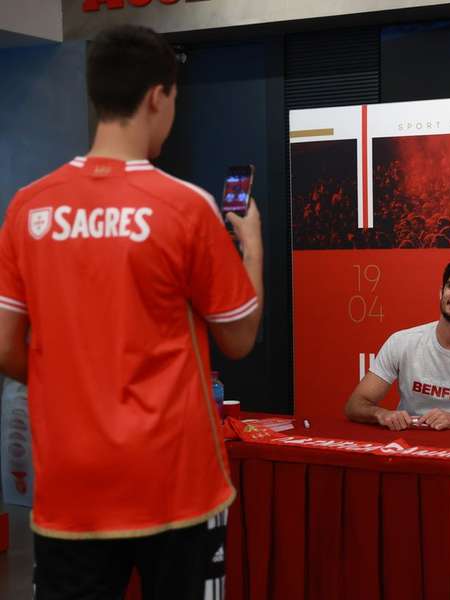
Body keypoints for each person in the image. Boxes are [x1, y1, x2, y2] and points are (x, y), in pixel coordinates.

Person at [0, 25, 263, 599]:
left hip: (71, 484)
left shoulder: (28, 208)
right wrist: (254, 247)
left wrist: (71, 383)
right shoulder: (185, 208)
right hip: (175, 484)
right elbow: (239, 337)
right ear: (157, 97)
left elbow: (4, 346)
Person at [344, 259, 450, 431]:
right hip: (408, 443)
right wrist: (381, 414)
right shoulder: (402, 341)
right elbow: (355, 406)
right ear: (441, 293)